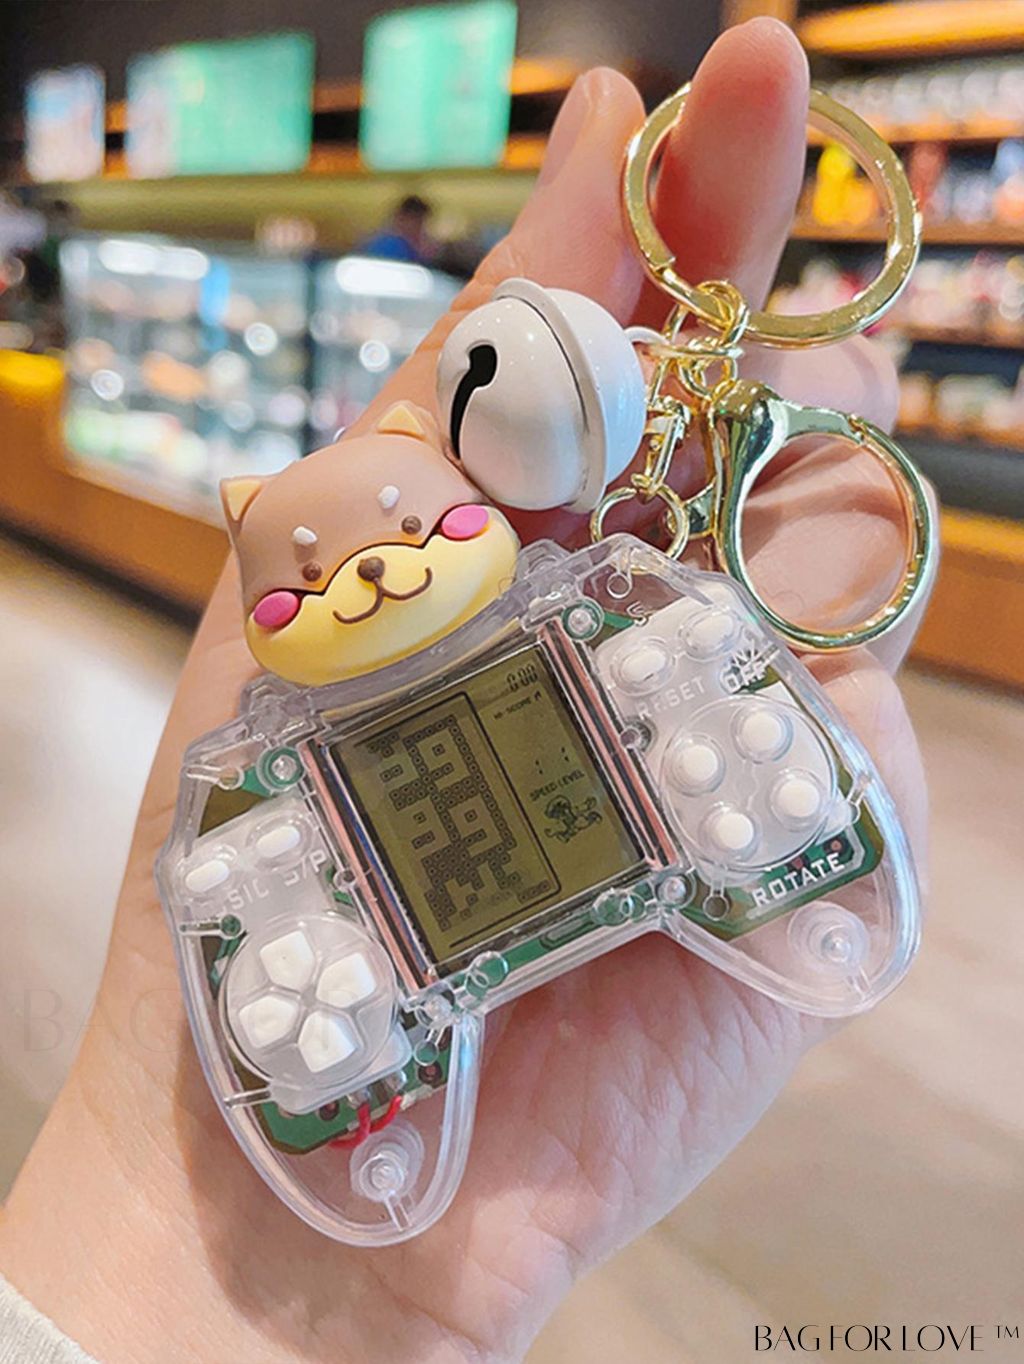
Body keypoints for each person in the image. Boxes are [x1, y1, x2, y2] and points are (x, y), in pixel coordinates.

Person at [0, 20, 929, 1363]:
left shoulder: (607, 609)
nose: (371, 576)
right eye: (315, 571)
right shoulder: (294, 773)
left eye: (407, 529)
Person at [360, 192, 435, 263]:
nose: (420, 229)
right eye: (418, 222)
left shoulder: (405, 245)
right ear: (402, 218)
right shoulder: (391, 245)